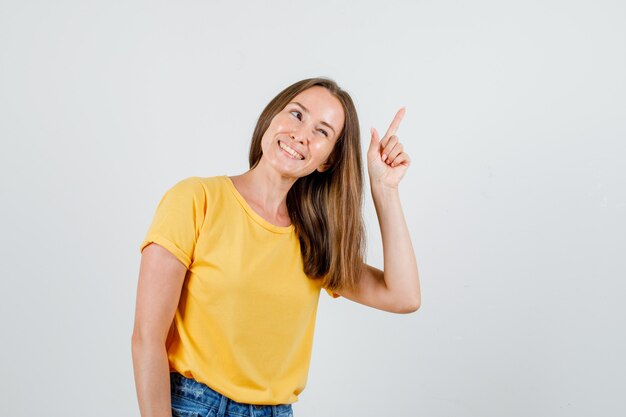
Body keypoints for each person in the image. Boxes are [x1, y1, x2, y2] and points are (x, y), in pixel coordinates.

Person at [131, 77, 421, 417]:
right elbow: (147, 340)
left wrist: (384, 189)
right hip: (194, 406)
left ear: (328, 160)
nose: (301, 134)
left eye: (322, 132)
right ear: (272, 117)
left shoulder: (315, 241)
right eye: (297, 115)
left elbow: (404, 297)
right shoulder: (196, 200)